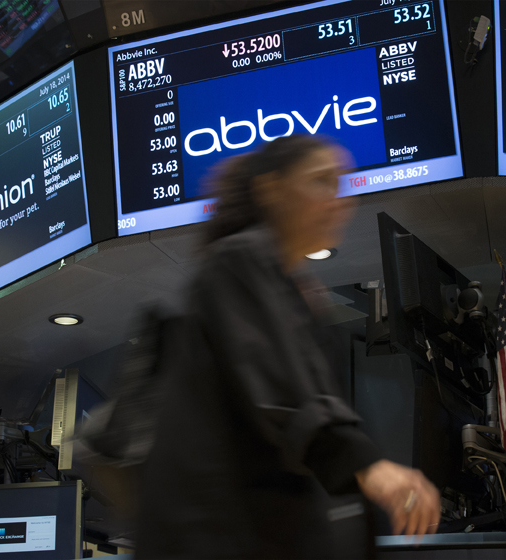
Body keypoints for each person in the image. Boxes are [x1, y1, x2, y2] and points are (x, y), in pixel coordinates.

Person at [137, 135, 441, 558]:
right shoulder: (236, 261)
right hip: (213, 536)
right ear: (271, 189)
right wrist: (367, 465)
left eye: (338, 186)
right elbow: (281, 388)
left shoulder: (295, 289)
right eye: (319, 181)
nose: (337, 200)